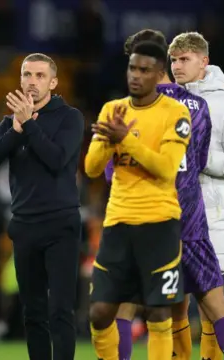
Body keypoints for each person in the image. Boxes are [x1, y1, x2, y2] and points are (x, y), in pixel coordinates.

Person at [85, 41, 189, 360]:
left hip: (160, 224)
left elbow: (166, 167)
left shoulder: (176, 113)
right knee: (100, 312)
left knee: (158, 312)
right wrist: (107, 143)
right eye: (132, 68)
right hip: (118, 224)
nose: (136, 75)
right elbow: (91, 168)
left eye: (145, 70)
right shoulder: (112, 110)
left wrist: (125, 140)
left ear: (159, 75)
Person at [0, 53, 84, 360]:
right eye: (27, 75)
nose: (32, 81)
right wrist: (16, 130)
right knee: (33, 311)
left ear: (53, 82)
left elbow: (56, 159)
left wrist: (28, 125)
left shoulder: (69, 117)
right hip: (24, 225)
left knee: (61, 309)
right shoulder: (10, 121)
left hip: (60, 223)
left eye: (40, 76)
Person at [170, 31, 224, 360]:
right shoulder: (166, 102)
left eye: (185, 59)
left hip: (210, 220)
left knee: (210, 307)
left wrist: (197, 158)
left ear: (203, 62)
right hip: (171, 216)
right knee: (172, 305)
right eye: (173, 60)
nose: (177, 66)